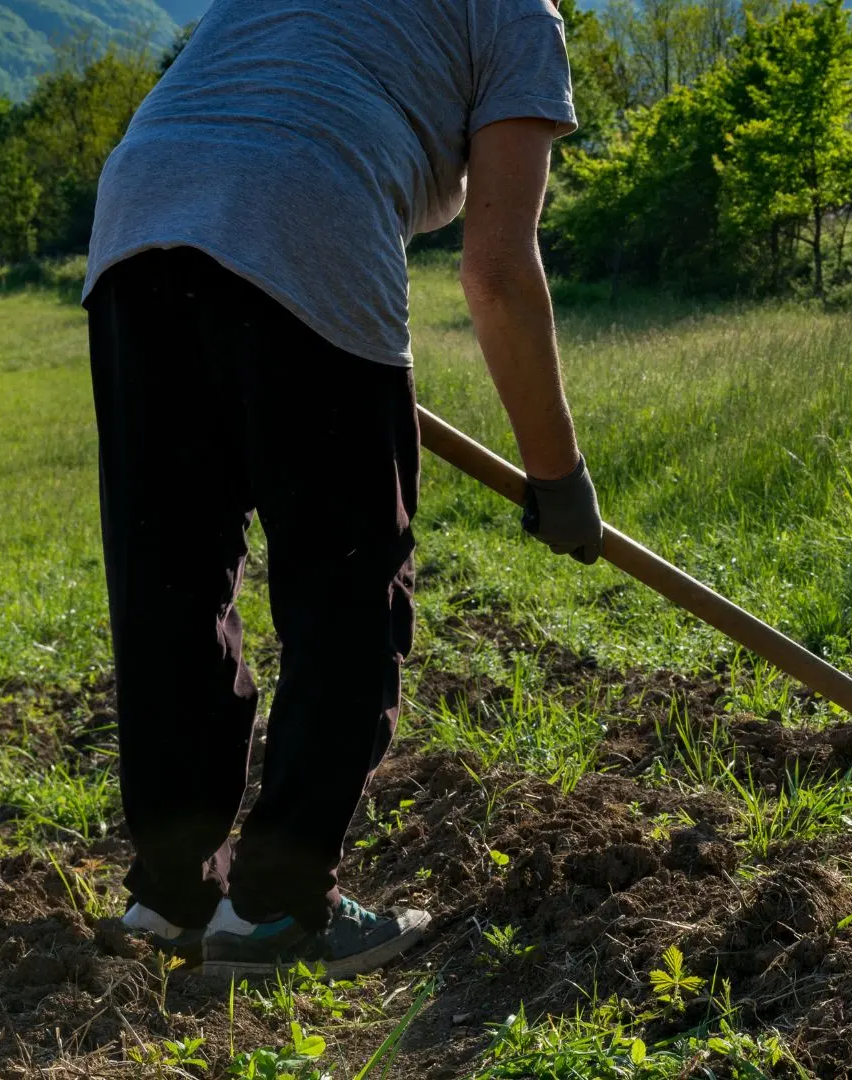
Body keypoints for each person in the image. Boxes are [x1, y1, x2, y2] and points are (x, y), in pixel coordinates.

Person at [82, 0, 603, 981]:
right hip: (306, 210)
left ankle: (171, 895)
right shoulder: (519, 18)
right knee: (346, 591)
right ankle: (276, 910)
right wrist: (556, 472)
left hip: (138, 223)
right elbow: (496, 271)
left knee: (170, 585)